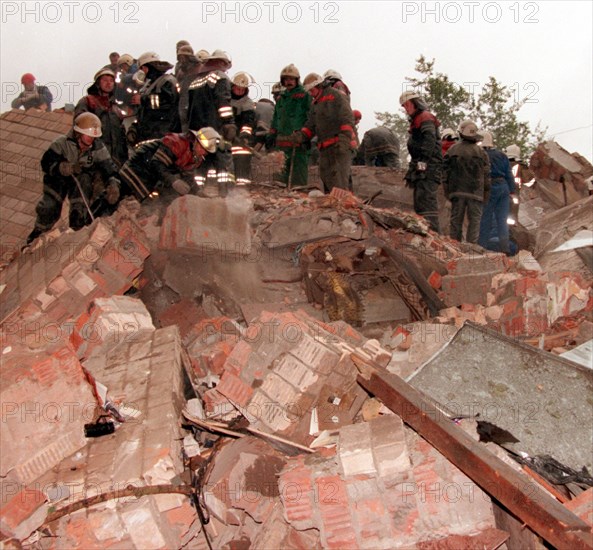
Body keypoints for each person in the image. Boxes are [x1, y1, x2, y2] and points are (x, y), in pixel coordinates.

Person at [25, 113, 120, 245]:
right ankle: (36, 236)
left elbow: (110, 168)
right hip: (57, 180)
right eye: (88, 135)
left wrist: (113, 184)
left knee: (85, 183)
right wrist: (62, 167)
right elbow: (46, 163)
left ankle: (77, 226)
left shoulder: (98, 148)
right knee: (50, 206)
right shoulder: (61, 144)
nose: (91, 139)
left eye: (93, 136)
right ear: (78, 133)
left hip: (80, 181)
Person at [119, 127, 223, 200]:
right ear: (195, 140)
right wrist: (173, 181)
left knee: (143, 200)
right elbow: (157, 164)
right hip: (138, 166)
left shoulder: (196, 158)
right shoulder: (178, 143)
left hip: (152, 176)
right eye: (201, 147)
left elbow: (187, 176)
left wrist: (198, 192)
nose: (202, 152)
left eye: (205, 151)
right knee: (121, 195)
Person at [186, 49, 235, 195]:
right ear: (221, 63)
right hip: (216, 129)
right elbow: (223, 103)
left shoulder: (195, 81)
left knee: (200, 165)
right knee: (222, 165)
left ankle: (197, 194)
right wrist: (229, 122)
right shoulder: (220, 77)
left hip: (197, 131)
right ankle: (225, 195)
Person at [298, 73, 357, 193]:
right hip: (325, 149)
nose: (310, 93)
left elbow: (347, 118)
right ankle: (333, 205)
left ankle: (346, 207)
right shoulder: (315, 104)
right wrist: (301, 136)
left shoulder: (335, 95)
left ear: (319, 86)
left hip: (339, 146)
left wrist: (344, 141)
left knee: (340, 182)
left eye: (311, 90)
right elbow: (311, 125)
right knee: (326, 178)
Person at [400, 90, 443, 232]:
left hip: (429, 166)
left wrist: (422, 162)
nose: (405, 109)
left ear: (414, 103)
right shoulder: (418, 119)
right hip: (422, 165)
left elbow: (429, 139)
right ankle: (424, 231)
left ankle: (433, 233)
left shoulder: (425, 117)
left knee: (427, 201)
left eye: (406, 105)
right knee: (420, 201)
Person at [443, 120, 490, 244]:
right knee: (474, 223)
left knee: (456, 223)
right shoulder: (482, 153)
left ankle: (454, 248)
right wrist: (485, 194)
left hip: (457, 192)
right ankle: (471, 249)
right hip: (476, 194)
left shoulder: (452, 150)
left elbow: (445, 172)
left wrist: (447, 192)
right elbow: (486, 176)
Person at [267, 64, 311, 187]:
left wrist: (306, 135)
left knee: (299, 178)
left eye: (291, 79)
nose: (289, 82)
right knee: (279, 179)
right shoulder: (281, 98)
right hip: (281, 143)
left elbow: (311, 116)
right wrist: (271, 134)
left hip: (298, 142)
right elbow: (276, 118)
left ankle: (299, 203)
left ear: (297, 80)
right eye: (286, 79)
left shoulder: (305, 95)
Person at [75, 68, 128, 166]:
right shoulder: (87, 102)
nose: (109, 83)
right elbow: (79, 129)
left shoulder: (116, 109)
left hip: (115, 161)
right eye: (105, 80)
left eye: (111, 81)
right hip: (93, 159)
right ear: (98, 83)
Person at [128, 51, 180, 145]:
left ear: (148, 67)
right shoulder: (149, 84)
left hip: (163, 134)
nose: (142, 71)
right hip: (149, 134)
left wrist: (143, 100)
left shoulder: (167, 81)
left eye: (142, 68)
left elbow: (167, 102)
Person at [477, 131, 516, 255]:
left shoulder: (480, 155)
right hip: (503, 187)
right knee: (502, 219)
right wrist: (512, 190)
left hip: (489, 187)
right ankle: (505, 249)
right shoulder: (502, 155)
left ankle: (481, 247)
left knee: (486, 218)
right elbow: (509, 174)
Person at [230, 72, 256, 185]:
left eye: (242, 89)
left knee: (242, 157)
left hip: (240, 137)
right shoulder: (224, 99)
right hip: (224, 136)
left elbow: (248, 122)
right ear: (232, 87)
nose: (240, 91)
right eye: (237, 88)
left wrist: (244, 135)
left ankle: (242, 185)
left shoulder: (248, 103)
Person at [504, 144, 534, 225]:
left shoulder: (501, 164)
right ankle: (512, 226)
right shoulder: (521, 166)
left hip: (501, 191)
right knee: (512, 212)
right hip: (514, 192)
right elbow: (529, 181)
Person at [174, 44, 202, 133]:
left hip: (194, 104)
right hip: (182, 101)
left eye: (184, 57)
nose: (182, 59)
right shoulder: (180, 70)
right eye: (180, 57)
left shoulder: (198, 68)